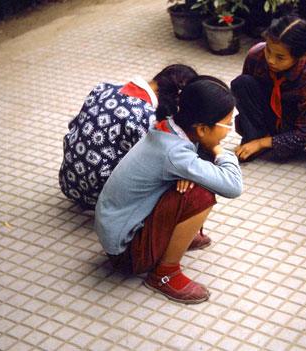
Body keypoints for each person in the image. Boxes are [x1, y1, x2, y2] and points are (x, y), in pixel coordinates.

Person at [94, 76, 243, 304]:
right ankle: (165, 273)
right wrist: (219, 149)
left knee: (195, 180)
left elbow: (183, 163)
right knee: (201, 195)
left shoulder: (169, 127)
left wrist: (188, 172)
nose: (229, 130)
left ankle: (175, 238)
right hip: (126, 253)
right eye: (228, 123)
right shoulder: (175, 154)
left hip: (117, 230)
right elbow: (233, 185)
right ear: (202, 128)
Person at [59, 64, 198, 210]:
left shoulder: (103, 88)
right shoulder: (146, 116)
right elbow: (160, 162)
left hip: (69, 183)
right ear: (176, 97)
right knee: (180, 179)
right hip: (100, 196)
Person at [231, 15, 306, 174]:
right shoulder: (256, 54)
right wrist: (255, 136)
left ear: (299, 56)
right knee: (242, 83)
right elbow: (247, 98)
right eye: (268, 50)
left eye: (280, 57)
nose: (271, 60)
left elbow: (304, 132)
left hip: (298, 122)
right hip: (270, 114)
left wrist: (261, 144)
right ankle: (257, 135)